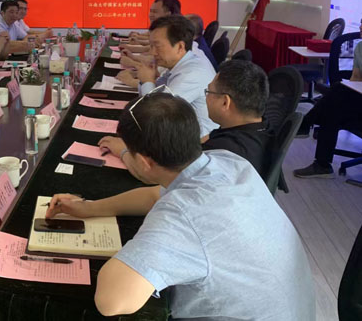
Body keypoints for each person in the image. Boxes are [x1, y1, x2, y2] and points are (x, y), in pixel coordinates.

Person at [46, 93, 314, 320]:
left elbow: (112, 301)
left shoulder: (185, 214)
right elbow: (155, 195)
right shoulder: (227, 161)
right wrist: (90, 208)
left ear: (145, 163)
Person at [119, 15, 217, 138]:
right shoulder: (180, 64)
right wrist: (147, 80)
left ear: (180, 47)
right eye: (151, 46)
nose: (152, 52)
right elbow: (157, 93)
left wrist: (147, 81)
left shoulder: (191, 74)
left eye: (157, 46)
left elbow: (155, 115)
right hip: (176, 131)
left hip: (194, 140)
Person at [294, 16, 362, 178]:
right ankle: (322, 165)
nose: (361, 28)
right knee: (333, 109)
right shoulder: (360, 48)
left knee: (336, 94)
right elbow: (356, 78)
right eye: (361, 24)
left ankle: (305, 123)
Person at [203, 59, 273, 176]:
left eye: (209, 92)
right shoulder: (263, 126)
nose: (206, 97)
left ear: (225, 102)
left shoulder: (218, 153)